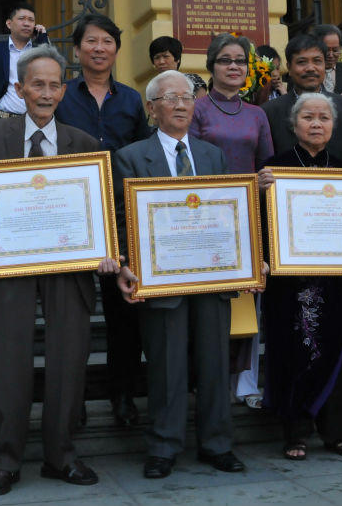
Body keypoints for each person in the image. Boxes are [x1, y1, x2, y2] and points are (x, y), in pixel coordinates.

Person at [0, 45, 115, 495]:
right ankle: (4, 460)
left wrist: (106, 251)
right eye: (36, 84)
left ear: (64, 90)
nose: (45, 93)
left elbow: (98, 213)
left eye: (53, 85)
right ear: (20, 89)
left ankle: (61, 457)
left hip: (69, 270)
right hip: (7, 270)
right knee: (8, 364)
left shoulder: (83, 144)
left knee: (68, 362)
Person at [113, 70, 246, 479]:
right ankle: (164, 446)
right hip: (160, 279)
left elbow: (231, 214)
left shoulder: (213, 155)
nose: (181, 104)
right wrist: (125, 264)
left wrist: (248, 254)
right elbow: (121, 220)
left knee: (214, 363)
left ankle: (217, 444)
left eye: (187, 97)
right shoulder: (131, 157)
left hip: (212, 277)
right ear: (152, 109)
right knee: (166, 366)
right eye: (170, 98)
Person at [257, 92, 342, 460]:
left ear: (334, 126)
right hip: (288, 282)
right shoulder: (272, 170)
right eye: (309, 117)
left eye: (324, 117)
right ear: (294, 125)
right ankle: (295, 433)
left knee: (337, 352)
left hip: (336, 282)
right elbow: (257, 222)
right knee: (291, 352)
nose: (317, 123)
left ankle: (336, 432)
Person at [58, 14, 153, 427]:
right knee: (71, 315)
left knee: (124, 314)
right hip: (71, 215)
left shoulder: (132, 99)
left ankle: (123, 396)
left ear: (116, 49)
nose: (99, 49)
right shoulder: (60, 95)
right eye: (91, 41)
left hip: (119, 214)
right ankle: (70, 400)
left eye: (107, 42)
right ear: (77, 49)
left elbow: (142, 153)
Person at [190, 33, 274, 409]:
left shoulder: (258, 114)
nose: (234, 66)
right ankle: (206, 378)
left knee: (248, 300)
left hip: (247, 220)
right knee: (210, 303)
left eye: (240, 60)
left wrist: (264, 182)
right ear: (212, 67)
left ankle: (244, 381)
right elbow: (187, 166)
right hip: (205, 220)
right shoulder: (197, 109)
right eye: (225, 60)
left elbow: (265, 165)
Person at [262, 34, 342, 168]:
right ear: (289, 67)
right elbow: (265, 164)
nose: (311, 68)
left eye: (317, 61)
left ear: (325, 65)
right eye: (302, 62)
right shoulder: (269, 111)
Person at [0, 2, 49, 121]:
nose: (26, 23)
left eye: (31, 20)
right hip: (2, 120)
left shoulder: (39, 51)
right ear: (9, 24)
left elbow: (53, 76)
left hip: (36, 121)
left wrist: (43, 39)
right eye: (21, 19)